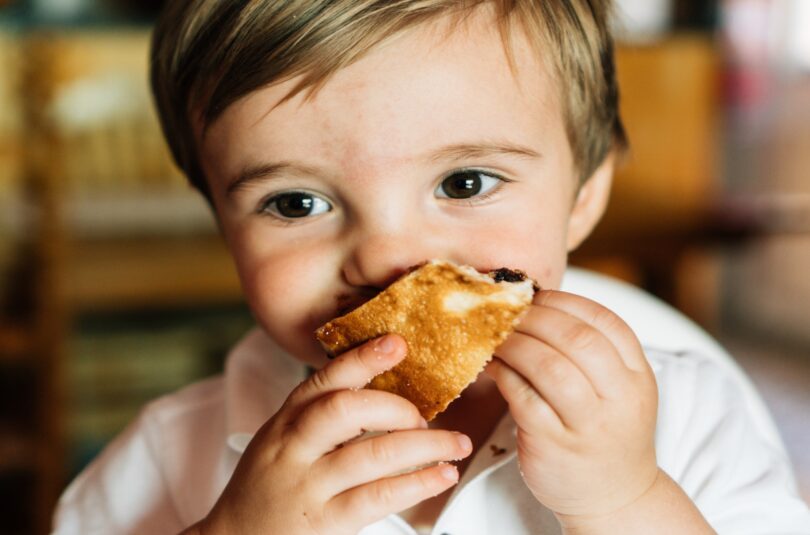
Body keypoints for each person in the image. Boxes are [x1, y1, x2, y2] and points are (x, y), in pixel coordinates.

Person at [52, 1, 810, 534]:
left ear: (584, 195)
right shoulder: (167, 455)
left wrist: (626, 497)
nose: (388, 260)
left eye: (464, 183)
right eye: (294, 202)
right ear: (222, 224)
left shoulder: (692, 416)